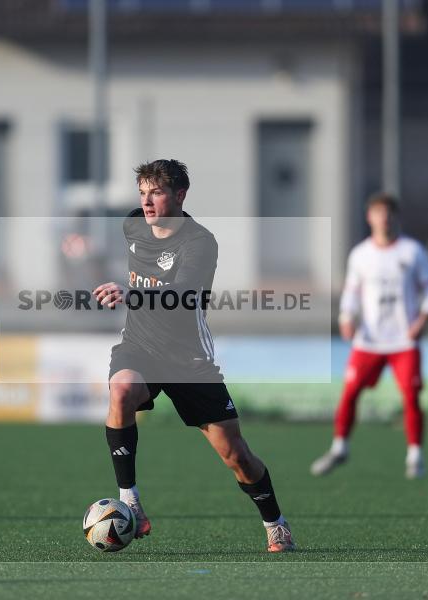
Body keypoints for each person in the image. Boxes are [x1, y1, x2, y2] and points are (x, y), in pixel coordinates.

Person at [93, 159, 294, 552]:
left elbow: (182, 295)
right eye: (143, 193)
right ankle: (130, 499)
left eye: (157, 193)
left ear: (180, 195)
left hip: (189, 360)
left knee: (236, 456)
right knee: (121, 390)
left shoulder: (200, 242)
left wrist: (130, 292)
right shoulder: (132, 224)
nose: (147, 202)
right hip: (139, 347)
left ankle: (276, 523)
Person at [311, 192, 428, 480]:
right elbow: (352, 293)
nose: (384, 218)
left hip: (403, 340)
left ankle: (415, 455)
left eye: (389, 212)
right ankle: (339, 447)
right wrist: (346, 318)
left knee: (411, 396)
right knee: (350, 392)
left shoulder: (412, 251)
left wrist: (423, 319)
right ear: (369, 217)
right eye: (378, 212)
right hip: (369, 340)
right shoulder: (360, 254)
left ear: (396, 217)